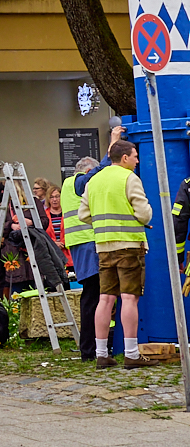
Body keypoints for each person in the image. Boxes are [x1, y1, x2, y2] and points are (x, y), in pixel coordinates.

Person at [80, 140, 159, 368]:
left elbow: (83, 214)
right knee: (129, 297)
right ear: (124, 158)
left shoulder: (94, 180)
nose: (137, 161)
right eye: (135, 156)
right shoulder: (129, 178)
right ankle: (131, 354)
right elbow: (144, 214)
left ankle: (101, 354)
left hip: (104, 247)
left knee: (105, 299)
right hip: (129, 246)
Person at [65, 156, 102, 361]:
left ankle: (91, 347)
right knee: (93, 296)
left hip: (79, 244)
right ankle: (90, 349)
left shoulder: (67, 184)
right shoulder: (80, 182)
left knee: (92, 296)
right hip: (90, 243)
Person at [47, 185, 70, 268]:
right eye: (51, 197)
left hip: (68, 253)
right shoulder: (44, 215)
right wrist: (54, 243)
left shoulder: (67, 212)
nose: (54, 200)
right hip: (51, 253)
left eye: (57, 196)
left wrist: (62, 243)